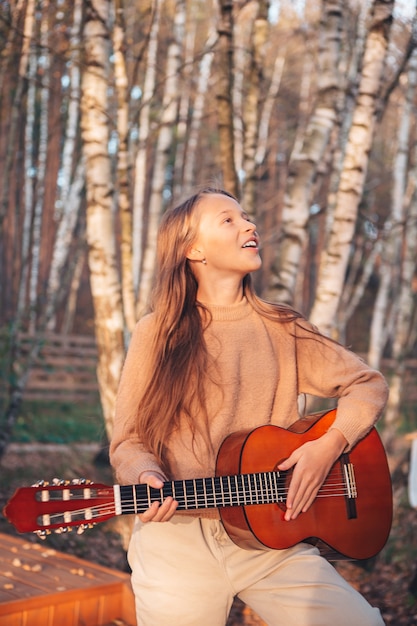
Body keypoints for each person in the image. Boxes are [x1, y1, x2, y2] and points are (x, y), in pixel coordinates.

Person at [110, 187, 389, 626]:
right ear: (193, 248)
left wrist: (328, 446)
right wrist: (145, 475)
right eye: (228, 220)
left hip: (274, 536)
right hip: (178, 541)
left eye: (246, 217)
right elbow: (128, 439)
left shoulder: (285, 328)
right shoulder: (156, 333)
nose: (249, 225)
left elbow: (367, 384)